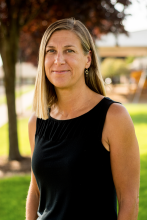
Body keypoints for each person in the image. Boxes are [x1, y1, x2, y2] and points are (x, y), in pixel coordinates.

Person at [26, 18, 140, 220]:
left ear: (88, 59)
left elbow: (128, 201)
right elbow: (35, 190)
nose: (58, 60)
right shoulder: (37, 121)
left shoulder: (113, 117)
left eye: (69, 50)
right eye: (51, 51)